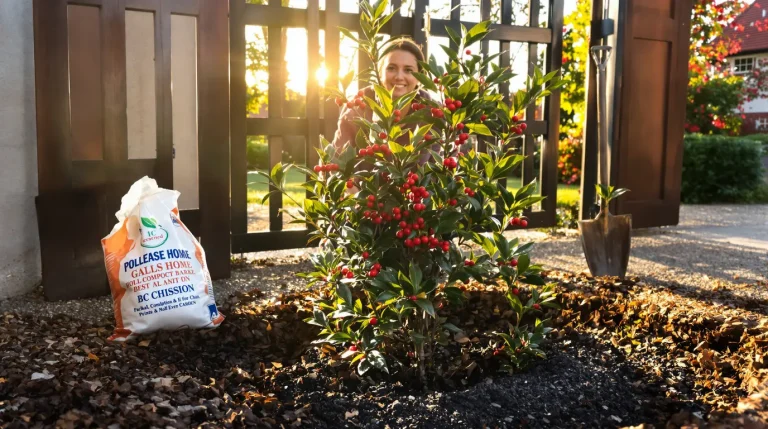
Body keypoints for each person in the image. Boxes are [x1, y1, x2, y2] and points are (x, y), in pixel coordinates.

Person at [331, 37, 435, 165]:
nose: (399, 77)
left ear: (420, 76)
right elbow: (336, 162)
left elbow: (440, 169)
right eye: (391, 68)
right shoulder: (357, 107)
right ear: (379, 73)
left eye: (408, 70)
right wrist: (349, 183)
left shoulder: (431, 112)